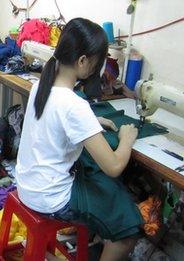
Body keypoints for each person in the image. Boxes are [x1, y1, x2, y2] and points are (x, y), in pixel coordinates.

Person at [15, 18, 139, 261]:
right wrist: (126, 139)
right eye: (98, 63)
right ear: (83, 61)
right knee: (127, 232)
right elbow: (113, 166)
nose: (97, 69)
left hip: (27, 186)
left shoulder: (39, 85)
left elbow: (58, 118)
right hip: (51, 199)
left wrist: (90, 123)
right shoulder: (75, 106)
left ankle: (78, 242)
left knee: (101, 186)